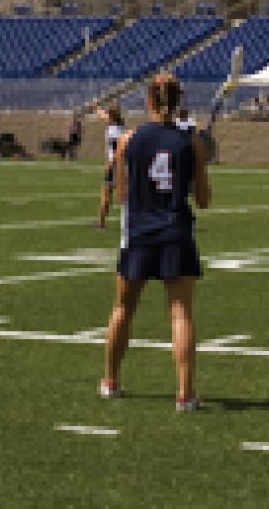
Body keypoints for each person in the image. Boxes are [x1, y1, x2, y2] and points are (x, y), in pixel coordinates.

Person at [99, 74, 211, 411]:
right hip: (176, 232)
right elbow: (203, 200)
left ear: (149, 101)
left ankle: (111, 381)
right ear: (179, 102)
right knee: (180, 314)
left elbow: (122, 196)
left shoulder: (128, 140)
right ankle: (185, 393)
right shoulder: (190, 141)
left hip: (139, 234)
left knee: (122, 309)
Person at [94, 106, 125, 229]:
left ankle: (100, 222)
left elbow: (118, 150)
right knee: (117, 194)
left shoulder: (114, 131)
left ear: (111, 116)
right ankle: (100, 222)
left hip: (115, 165)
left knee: (107, 194)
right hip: (120, 165)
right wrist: (96, 107)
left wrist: (110, 164)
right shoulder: (118, 126)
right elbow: (103, 116)